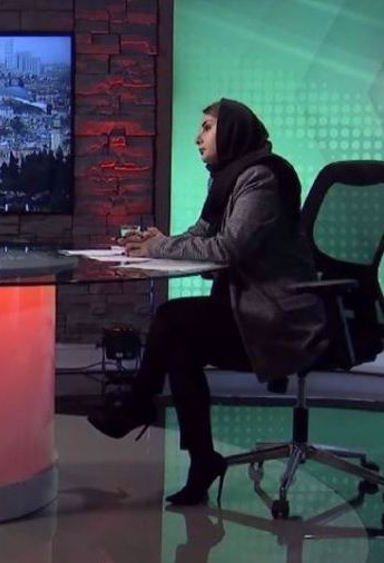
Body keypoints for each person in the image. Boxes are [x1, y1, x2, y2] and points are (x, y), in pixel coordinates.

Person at [87, 98, 329, 505]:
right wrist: (154, 243)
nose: (197, 138)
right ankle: (202, 460)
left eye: (206, 127)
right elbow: (200, 235)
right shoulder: (227, 178)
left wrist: (163, 246)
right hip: (245, 307)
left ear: (231, 131)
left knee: (171, 317)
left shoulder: (262, 180)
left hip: (279, 317)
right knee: (180, 344)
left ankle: (138, 406)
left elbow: (228, 248)